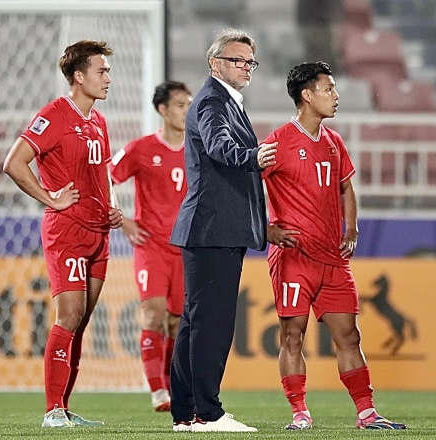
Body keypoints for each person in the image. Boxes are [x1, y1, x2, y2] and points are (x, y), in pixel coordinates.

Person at [261, 61, 407, 431]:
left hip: (333, 258)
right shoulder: (277, 142)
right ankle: (299, 413)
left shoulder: (333, 141)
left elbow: (345, 186)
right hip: (293, 256)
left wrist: (352, 228)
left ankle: (366, 413)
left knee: (350, 335)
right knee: (292, 336)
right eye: (329, 89)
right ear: (307, 95)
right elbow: (246, 190)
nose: (336, 96)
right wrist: (266, 230)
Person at [3, 39, 123, 428]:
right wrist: (49, 198)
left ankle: (65, 407)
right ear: (78, 76)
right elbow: (14, 163)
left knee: (82, 322)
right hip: (67, 231)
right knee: (68, 316)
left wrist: (112, 203)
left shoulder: (98, 122)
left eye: (107, 70)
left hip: (99, 232)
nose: (108, 77)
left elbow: (103, 171)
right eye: (101, 71)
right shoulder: (55, 114)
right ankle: (52, 411)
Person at [168, 28, 277, 433]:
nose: (245, 67)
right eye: (237, 60)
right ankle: (206, 414)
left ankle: (186, 412)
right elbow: (219, 147)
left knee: (195, 323)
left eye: (250, 61)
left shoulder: (225, 101)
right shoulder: (213, 100)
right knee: (211, 324)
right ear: (215, 63)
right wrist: (254, 155)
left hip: (211, 228)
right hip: (212, 229)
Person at [109, 80, 192, 412]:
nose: (187, 111)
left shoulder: (198, 151)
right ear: (162, 110)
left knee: (177, 322)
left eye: (189, 105)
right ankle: (157, 390)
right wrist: (123, 220)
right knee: (154, 313)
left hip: (186, 249)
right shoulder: (140, 149)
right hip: (151, 246)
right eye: (180, 105)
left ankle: (171, 387)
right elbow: (105, 177)